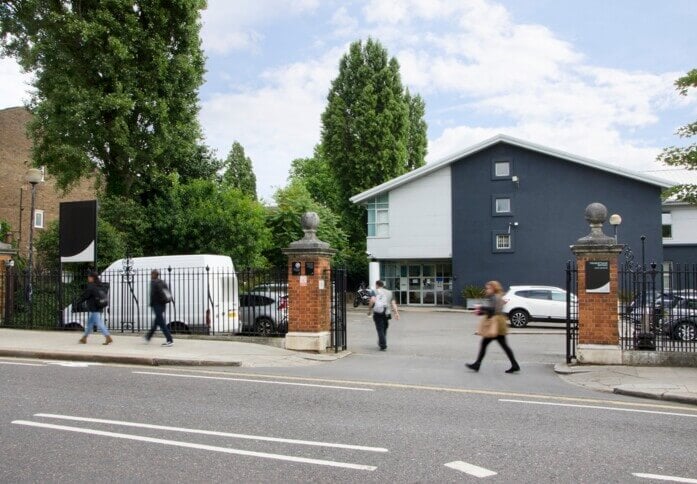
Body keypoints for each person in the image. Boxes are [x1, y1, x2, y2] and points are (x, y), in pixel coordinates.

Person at [466, 280, 520, 373]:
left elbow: (493, 310)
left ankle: (477, 364)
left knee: (486, 344)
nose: (486, 290)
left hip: (496, 324)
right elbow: (493, 310)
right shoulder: (496, 296)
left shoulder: (495, 297)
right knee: (502, 345)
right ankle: (514, 364)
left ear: (493, 288)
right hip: (498, 322)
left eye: (488, 288)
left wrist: (480, 308)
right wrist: (480, 312)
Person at [76, 271, 112, 345]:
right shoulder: (100, 285)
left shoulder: (92, 286)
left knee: (99, 322)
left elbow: (85, 296)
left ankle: (108, 336)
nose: (88, 278)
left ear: (92, 278)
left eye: (89, 277)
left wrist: (78, 302)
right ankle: (84, 338)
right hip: (99, 306)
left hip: (94, 308)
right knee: (90, 324)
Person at [368, 280, 400, 351]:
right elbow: (393, 304)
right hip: (387, 313)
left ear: (377, 285)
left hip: (377, 313)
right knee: (384, 328)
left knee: (380, 329)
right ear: (383, 285)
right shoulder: (390, 292)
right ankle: (381, 341)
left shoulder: (374, 291)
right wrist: (396, 313)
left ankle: (383, 344)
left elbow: (372, 301)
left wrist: (369, 310)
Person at [145, 270, 174, 346]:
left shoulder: (153, 283)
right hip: (163, 304)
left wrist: (151, 304)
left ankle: (169, 340)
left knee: (161, 323)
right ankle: (148, 336)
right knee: (157, 321)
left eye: (151, 274)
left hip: (157, 304)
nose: (151, 275)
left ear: (154, 275)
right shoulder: (162, 282)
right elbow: (167, 292)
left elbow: (153, 295)